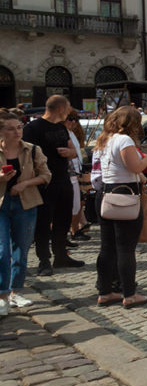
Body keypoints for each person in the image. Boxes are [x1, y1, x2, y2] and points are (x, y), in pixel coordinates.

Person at [94, 107, 147, 308]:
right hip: (125, 195)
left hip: (105, 193)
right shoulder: (125, 140)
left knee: (107, 246)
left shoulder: (106, 139)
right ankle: (129, 294)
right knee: (125, 248)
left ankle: (105, 292)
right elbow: (135, 167)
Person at [22, 95, 82, 275]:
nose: (70, 111)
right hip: (43, 182)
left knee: (63, 220)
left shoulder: (61, 128)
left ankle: (61, 255)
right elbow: (26, 155)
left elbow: (73, 152)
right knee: (43, 222)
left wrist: (69, 152)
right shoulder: (32, 128)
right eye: (68, 108)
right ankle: (44, 260)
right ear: (61, 108)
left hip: (63, 180)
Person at [0, 110, 51, 315]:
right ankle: (2, 295)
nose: (17, 132)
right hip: (1, 204)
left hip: (26, 202)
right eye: (11, 129)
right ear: (1, 131)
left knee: (21, 249)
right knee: (2, 250)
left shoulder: (32, 150)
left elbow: (46, 175)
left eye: (19, 127)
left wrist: (25, 184)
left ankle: (15, 291)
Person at [65, 110, 90, 242]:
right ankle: (68, 233)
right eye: (70, 118)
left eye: (75, 119)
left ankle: (74, 230)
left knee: (78, 203)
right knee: (71, 205)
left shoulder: (71, 133)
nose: (73, 121)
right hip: (68, 174)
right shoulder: (63, 133)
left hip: (76, 173)